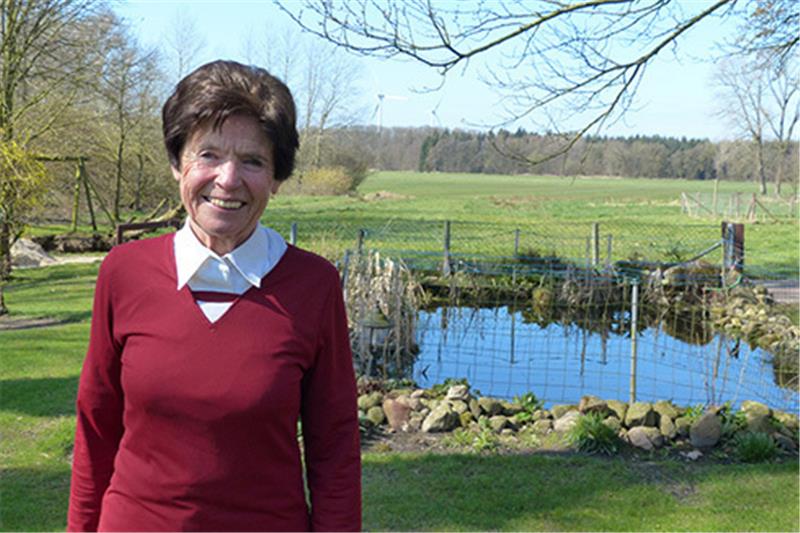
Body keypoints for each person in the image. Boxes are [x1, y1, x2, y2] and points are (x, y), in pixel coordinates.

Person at [67, 60, 361, 532]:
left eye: (252, 161)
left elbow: (335, 448)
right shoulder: (124, 273)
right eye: (208, 155)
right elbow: (96, 430)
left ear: (277, 179)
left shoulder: (314, 285)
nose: (228, 179)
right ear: (176, 162)